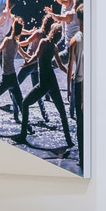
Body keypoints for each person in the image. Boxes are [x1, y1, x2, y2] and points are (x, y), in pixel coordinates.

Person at [15, 15, 73, 148]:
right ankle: (69, 140)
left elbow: (35, 56)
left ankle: (23, 135)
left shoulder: (44, 43)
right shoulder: (54, 47)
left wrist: (26, 63)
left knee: (25, 103)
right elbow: (60, 65)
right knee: (62, 112)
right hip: (52, 82)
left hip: (44, 84)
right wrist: (69, 74)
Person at [0, 16, 25, 126]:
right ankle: (26, 125)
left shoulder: (7, 40)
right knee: (21, 103)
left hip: (6, 79)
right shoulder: (17, 44)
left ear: (12, 28)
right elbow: (26, 55)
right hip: (13, 78)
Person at [67, 3, 84, 168]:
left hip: (79, 84)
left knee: (80, 122)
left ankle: (82, 157)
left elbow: (70, 68)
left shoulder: (74, 40)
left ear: (78, 19)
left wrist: (69, 90)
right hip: (91, 84)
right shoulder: (94, 37)